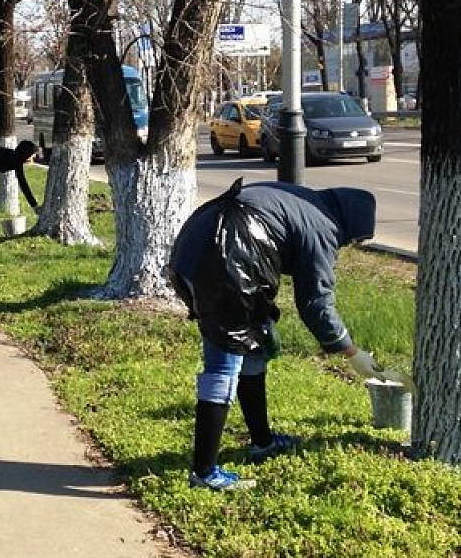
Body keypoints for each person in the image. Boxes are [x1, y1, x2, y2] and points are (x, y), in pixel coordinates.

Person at [168, 179, 394, 491]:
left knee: (252, 347)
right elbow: (316, 303)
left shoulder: (303, 202)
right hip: (229, 255)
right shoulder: (324, 226)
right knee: (224, 364)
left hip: (196, 246)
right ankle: (204, 474)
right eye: (353, 241)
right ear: (350, 224)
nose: (344, 247)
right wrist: (351, 352)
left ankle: (262, 442)